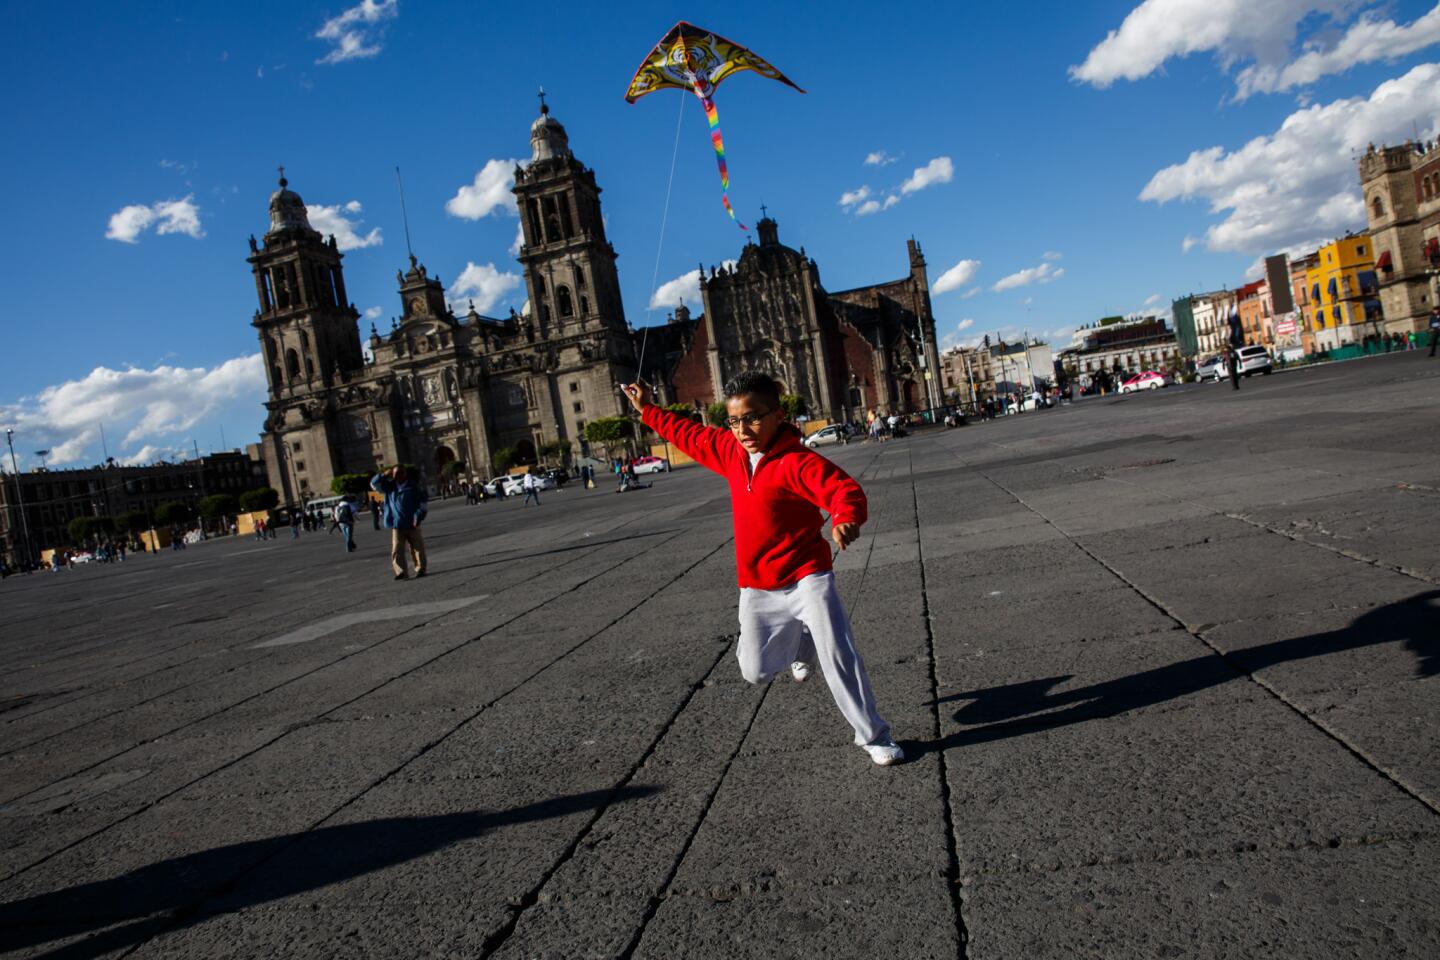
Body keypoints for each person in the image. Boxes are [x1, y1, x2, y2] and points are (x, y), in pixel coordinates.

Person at [622, 371, 902, 766]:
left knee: (839, 653)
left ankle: (874, 735)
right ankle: (802, 643)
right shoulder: (726, 449)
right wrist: (646, 409)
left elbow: (844, 490)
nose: (743, 429)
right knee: (753, 671)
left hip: (808, 575)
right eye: (734, 420)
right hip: (758, 585)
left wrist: (845, 517)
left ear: (778, 413)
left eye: (753, 417)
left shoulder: (796, 461)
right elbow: (684, 432)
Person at [371, 466, 428, 580]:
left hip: (412, 523)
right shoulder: (389, 487)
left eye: (401, 473)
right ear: (392, 475)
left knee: (417, 547)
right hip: (397, 524)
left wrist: (419, 516)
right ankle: (401, 572)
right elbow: (374, 485)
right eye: (396, 473)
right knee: (397, 549)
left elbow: (422, 503)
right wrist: (382, 475)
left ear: (405, 474)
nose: (398, 475)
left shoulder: (413, 487)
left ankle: (420, 568)